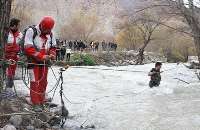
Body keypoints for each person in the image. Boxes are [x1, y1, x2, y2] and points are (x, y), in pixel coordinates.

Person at [24, 16, 56, 111]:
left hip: (45, 62)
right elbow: (28, 47)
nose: (47, 32)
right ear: (41, 26)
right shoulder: (31, 31)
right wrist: (41, 56)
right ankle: (35, 103)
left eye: (48, 30)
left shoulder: (51, 34)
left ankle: (42, 101)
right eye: (46, 30)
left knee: (43, 82)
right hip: (33, 62)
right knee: (35, 82)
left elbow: (53, 47)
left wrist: (52, 54)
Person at [5, 18, 23, 91]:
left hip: (15, 57)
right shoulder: (6, 33)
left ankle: (9, 88)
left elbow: (21, 45)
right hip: (5, 56)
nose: (19, 26)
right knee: (4, 71)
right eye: (18, 25)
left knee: (11, 72)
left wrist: (20, 53)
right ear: (15, 25)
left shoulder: (20, 34)